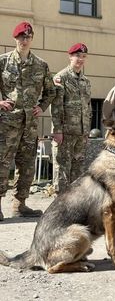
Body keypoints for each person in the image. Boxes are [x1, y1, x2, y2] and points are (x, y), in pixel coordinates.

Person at [0, 21, 56, 220]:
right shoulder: (3, 62)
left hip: (30, 125)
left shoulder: (41, 65)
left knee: (27, 165)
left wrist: (41, 107)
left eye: (28, 37)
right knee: (2, 162)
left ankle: (20, 204)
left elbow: (51, 91)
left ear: (31, 39)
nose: (24, 40)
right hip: (7, 123)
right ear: (15, 39)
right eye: (21, 37)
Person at [51, 43, 92, 194]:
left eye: (83, 57)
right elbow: (56, 106)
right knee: (62, 168)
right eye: (77, 56)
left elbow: (88, 107)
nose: (80, 59)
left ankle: (74, 203)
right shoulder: (61, 78)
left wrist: (87, 131)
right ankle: (59, 204)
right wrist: (57, 130)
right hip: (65, 132)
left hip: (81, 133)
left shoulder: (86, 81)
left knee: (78, 169)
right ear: (70, 57)